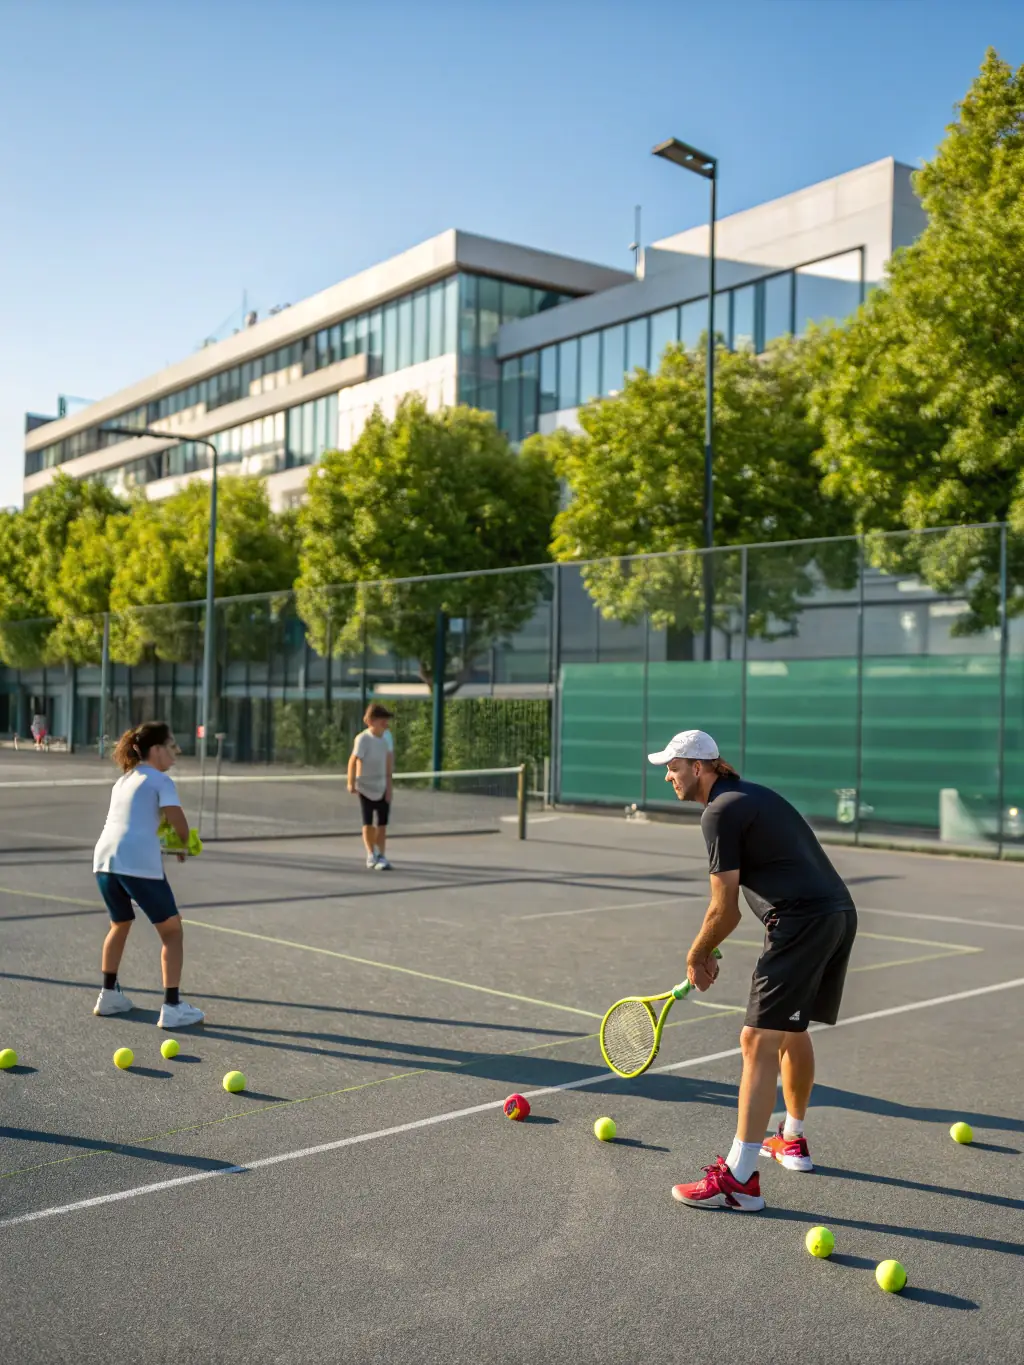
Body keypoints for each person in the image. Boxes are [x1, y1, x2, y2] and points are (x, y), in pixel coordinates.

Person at [648, 729, 857, 1212]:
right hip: (836, 914)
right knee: (789, 1030)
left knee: (755, 1040)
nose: (668, 775)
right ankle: (791, 1138)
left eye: (674, 766)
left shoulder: (718, 811)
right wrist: (711, 946)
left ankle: (738, 1180)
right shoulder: (751, 795)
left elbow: (725, 910)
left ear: (699, 767)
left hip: (801, 921)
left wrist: (698, 953)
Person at [92, 721, 205, 1030]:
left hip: (104, 860)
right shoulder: (161, 781)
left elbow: (135, 822)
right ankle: (172, 1007)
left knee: (120, 923)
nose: (176, 754)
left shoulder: (124, 780)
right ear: (156, 750)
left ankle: (109, 994)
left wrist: (170, 842)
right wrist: (184, 843)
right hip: (136, 862)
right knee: (172, 932)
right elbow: (180, 827)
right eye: (171, 747)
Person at [348, 703, 395, 871]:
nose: (386, 723)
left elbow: (389, 763)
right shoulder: (362, 739)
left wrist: (389, 788)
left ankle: (381, 855)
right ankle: (371, 855)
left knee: (382, 824)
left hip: (382, 786)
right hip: (365, 787)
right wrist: (351, 782)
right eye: (383, 719)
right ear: (372, 721)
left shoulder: (387, 737)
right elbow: (353, 761)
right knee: (368, 822)